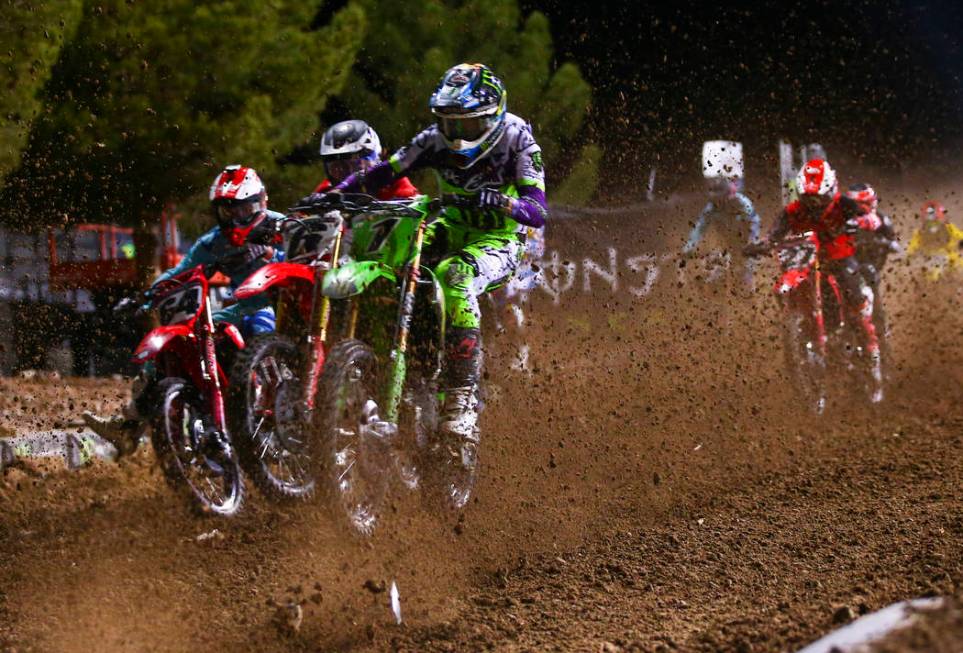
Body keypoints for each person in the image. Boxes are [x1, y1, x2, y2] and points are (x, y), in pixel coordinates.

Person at [306, 63, 547, 459]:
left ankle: (461, 399)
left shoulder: (518, 141)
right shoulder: (432, 139)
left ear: (492, 116)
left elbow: (537, 211)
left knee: (454, 275)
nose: (455, 135)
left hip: (499, 237)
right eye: (448, 123)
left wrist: (503, 201)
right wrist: (335, 192)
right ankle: (393, 360)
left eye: (465, 126)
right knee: (395, 260)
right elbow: (384, 171)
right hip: (450, 225)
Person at [82, 165, 284, 454]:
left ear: (260, 202)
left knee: (256, 322)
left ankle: (277, 397)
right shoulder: (215, 240)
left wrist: (276, 253)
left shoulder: (283, 225)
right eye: (228, 211)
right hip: (244, 306)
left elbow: (312, 251)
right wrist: (146, 297)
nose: (236, 218)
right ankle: (130, 425)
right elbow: (180, 271)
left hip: (284, 305)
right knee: (179, 342)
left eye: (242, 209)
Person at [756, 159, 884, 402]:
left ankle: (873, 361)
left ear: (830, 190)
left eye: (818, 199)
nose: (813, 205)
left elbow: (872, 219)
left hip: (840, 261)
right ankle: (804, 334)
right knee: (786, 287)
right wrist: (762, 244)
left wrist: (860, 222)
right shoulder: (793, 211)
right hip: (808, 264)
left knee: (857, 302)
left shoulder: (843, 204)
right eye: (808, 198)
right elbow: (774, 233)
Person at [682, 176, 761, 289]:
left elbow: (754, 223)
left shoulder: (742, 203)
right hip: (727, 244)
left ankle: (749, 295)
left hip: (745, 242)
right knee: (717, 277)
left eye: (719, 199)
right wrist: (690, 246)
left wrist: (752, 242)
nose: (717, 203)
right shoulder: (711, 208)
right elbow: (700, 227)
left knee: (745, 273)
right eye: (715, 200)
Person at [313, 119, 418, 199]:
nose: (347, 177)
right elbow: (301, 216)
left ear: (374, 159)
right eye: (336, 168)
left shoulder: (396, 185)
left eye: (354, 165)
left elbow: (413, 202)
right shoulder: (327, 189)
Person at [907, 200, 963, 277]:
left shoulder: (948, 227)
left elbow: (959, 235)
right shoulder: (920, 232)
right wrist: (910, 256)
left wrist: (909, 255)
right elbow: (912, 247)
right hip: (931, 259)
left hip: (945, 257)